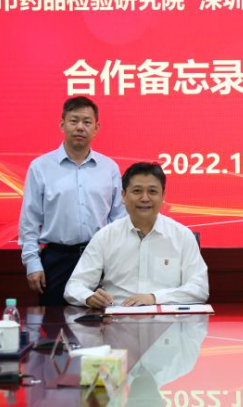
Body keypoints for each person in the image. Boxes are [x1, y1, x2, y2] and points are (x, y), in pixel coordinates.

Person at [19, 96, 125, 306]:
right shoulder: (40, 167)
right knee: (55, 321)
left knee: (100, 319)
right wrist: (32, 263)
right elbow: (29, 221)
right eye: (74, 121)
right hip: (57, 258)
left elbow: (119, 218)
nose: (80, 127)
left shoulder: (109, 168)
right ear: (62, 124)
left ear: (96, 128)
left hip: (99, 258)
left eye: (87, 122)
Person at [64, 162, 209, 307]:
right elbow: (74, 286)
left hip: (166, 318)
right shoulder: (105, 236)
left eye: (152, 191)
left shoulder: (182, 236)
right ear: (123, 195)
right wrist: (89, 297)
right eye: (137, 191)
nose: (145, 198)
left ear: (163, 196)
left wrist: (154, 298)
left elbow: (199, 288)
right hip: (118, 317)